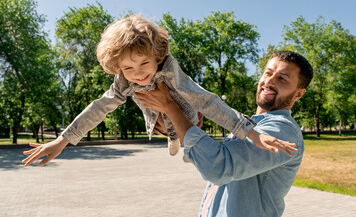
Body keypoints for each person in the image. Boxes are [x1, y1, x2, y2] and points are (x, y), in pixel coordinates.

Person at [22, 15, 295, 167]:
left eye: (144, 63)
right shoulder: (124, 81)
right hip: (153, 112)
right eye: (128, 69)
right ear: (117, 68)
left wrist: (251, 132)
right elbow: (100, 107)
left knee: (186, 113)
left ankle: (185, 138)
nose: (139, 74)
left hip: (186, 106)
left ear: (157, 55)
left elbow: (207, 100)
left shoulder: (168, 69)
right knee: (152, 110)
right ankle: (171, 134)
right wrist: (63, 140)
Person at [135, 50, 313, 216]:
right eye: (268, 73)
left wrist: (170, 107)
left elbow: (218, 167)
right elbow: (213, 157)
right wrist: (182, 124)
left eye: (282, 78)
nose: (270, 81)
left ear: (298, 93)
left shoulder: (282, 130)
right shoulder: (249, 126)